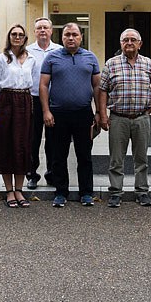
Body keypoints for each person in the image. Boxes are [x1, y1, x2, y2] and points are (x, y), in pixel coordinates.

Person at [39, 23, 101, 208]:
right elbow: (43, 85)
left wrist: (99, 111)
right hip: (58, 114)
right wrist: (46, 111)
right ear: (62, 37)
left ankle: (86, 193)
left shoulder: (90, 57)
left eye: (74, 34)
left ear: (81, 37)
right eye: (67, 35)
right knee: (59, 155)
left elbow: (97, 86)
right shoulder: (52, 57)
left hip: (83, 113)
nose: (71, 38)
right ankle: (60, 192)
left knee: (84, 155)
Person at [97, 29, 151, 208]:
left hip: (141, 118)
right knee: (116, 159)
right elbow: (102, 90)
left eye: (133, 40)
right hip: (118, 118)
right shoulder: (111, 63)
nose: (129, 42)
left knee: (141, 158)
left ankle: (142, 191)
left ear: (140, 44)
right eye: (125, 40)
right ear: (121, 43)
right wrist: (103, 115)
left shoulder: (148, 63)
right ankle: (115, 192)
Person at [0, 24, 38, 208]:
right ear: (9, 37)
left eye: (20, 35)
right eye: (14, 34)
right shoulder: (1, 59)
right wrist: (1, 103)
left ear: (25, 38)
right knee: (5, 144)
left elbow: (32, 83)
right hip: (6, 101)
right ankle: (9, 190)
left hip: (25, 101)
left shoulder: (31, 59)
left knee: (22, 144)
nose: (17, 37)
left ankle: (19, 189)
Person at [26, 17, 62, 190]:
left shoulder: (59, 50)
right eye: (39, 28)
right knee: (33, 139)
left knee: (53, 140)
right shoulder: (27, 51)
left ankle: (51, 173)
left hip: (54, 100)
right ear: (34, 31)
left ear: (51, 31)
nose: (42, 30)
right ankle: (32, 174)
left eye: (45, 28)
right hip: (32, 99)